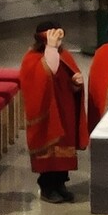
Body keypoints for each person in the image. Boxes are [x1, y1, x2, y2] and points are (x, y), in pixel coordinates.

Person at [19, 21, 88, 204]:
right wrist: (50, 49)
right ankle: (48, 187)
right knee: (49, 151)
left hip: (64, 110)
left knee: (63, 148)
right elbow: (39, 79)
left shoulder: (64, 54)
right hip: (47, 112)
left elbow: (68, 78)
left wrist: (76, 84)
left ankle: (61, 184)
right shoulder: (32, 58)